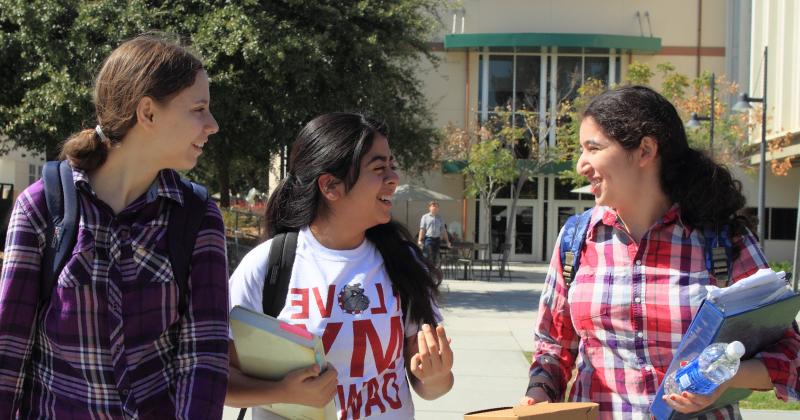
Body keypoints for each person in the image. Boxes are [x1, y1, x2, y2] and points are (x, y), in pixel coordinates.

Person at [520, 85, 800, 419]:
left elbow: (791, 353)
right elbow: (553, 345)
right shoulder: (576, 238)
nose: (581, 164)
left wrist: (726, 378)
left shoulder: (723, 240)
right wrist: (539, 393)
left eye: (593, 149)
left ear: (645, 151)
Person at [0, 33, 229, 418]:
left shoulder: (197, 215)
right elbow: (7, 351)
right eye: (199, 108)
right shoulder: (42, 207)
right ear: (148, 113)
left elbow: (203, 357)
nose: (213, 125)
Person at [226, 113, 454, 419]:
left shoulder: (401, 262)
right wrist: (283, 392)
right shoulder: (268, 266)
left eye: (392, 166)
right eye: (378, 168)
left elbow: (430, 386)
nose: (393, 178)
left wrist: (435, 375)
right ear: (331, 186)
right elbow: (217, 377)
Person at [417, 201, 451, 267]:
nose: (435, 207)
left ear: (438, 208)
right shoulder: (425, 217)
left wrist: (447, 242)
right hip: (429, 239)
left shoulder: (440, 218)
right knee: (429, 254)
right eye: (433, 206)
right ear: (429, 208)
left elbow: (443, 230)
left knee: (435, 256)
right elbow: (422, 229)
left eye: (436, 206)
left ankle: (432, 271)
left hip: (437, 239)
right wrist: (419, 240)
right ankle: (428, 270)